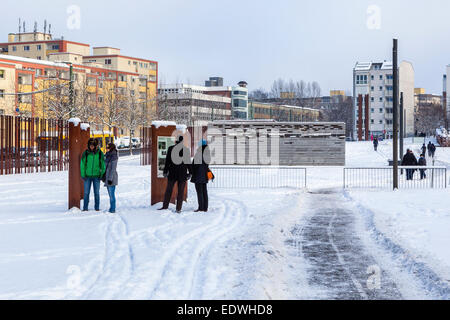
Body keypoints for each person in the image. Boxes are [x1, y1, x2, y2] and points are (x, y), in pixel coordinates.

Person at [158, 136, 191, 213]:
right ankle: (178, 209)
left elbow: (167, 162)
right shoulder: (185, 150)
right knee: (180, 192)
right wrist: (190, 172)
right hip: (182, 174)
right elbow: (188, 162)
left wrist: (165, 171)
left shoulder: (170, 148)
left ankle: (165, 206)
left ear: (176, 141)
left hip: (172, 173)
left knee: (168, 190)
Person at [80, 138, 106, 212]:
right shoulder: (86, 153)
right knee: (86, 193)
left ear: (96, 146)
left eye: (93, 145)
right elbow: (82, 164)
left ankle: (97, 207)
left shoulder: (100, 153)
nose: (91, 147)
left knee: (97, 193)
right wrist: (83, 175)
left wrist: (101, 175)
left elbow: (103, 165)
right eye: (90, 145)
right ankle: (85, 208)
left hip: (96, 176)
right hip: (87, 176)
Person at [191, 139, 211, 212]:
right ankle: (205, 207)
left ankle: (201, 208)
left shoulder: (199, 153)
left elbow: (194, 165)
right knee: (204, 191)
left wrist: (192, 172)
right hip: (204, 175)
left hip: (198, 175)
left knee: (199, 192)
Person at [104, 142, 118, 213]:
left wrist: (110, 179)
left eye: (108, 148)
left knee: (112, 195)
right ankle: (111, 208)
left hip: (112, 179)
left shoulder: (114, 157)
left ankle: (113, 209)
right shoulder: (107, 155)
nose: (106, 149)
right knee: (110, 195)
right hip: (107, 178)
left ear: (111, 148)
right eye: (106, 148)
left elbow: (113, 169)